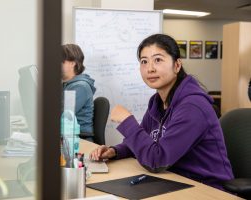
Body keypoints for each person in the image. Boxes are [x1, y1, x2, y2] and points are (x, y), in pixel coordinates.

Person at [90, 34, 234, 190]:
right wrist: (114, 151)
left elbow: (157, 160)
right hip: (173, 180)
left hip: (207, 189)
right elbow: (145, 141)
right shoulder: (157, 102)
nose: (150, 68)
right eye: (144, 61)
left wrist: (127, 121)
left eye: (158, 60)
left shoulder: (193, 107)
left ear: (177, 65)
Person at [62, 44, 96, 142]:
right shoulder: (66, 85)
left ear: (73, 63)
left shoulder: (80, 87)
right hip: (67, 137)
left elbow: (62, 115)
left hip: (79, 140)